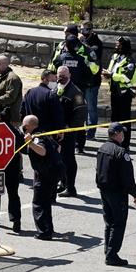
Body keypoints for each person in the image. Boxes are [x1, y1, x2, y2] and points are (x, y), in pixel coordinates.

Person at [95, 122, 136, 266]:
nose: (124, 135)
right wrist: (135, 193)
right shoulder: (121, 152)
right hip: (117, 192)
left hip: (104, 190)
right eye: (122, 133)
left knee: (109, 222)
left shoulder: (102, 148)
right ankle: (112, 254)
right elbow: (128, 176)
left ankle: (108, 249)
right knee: (118, 223)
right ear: (117, 134)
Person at [0, 55, 25, 231]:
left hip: (1, 165)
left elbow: (10, 97)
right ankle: (11, 219)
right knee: (11, 191)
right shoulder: (3, 78)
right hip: (7, 165)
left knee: (0, 190)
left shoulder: (12, 79)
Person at [23, 114, 62, 240]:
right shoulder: (44, 134)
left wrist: (30, 143)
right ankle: (48, 228)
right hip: (54, 172)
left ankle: (44, 232)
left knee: (39, 203)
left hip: (45, 174)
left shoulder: (36, 137)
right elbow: (58, 147)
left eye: (24, 127)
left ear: (29, 126)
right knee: (46, 202)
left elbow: (42, 151)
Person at [54, 65, 86, 197]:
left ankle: (70, 187)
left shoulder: (76, 92)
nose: (61, 78)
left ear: (69, 76)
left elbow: (80, 113)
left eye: (64, 75)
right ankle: (63, 183)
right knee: (60, 158)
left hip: (68, 131)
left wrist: (68, 128)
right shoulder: (56, 88)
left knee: (68, 159)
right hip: (57, 130)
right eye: (59, 75)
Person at [102, 36, 136, 130]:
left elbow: (126, 78)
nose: (116, 46)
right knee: (114, 117)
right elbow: (111, 70)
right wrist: (106, 74)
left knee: (124, 119)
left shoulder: (131, 62)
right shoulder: (115, 57)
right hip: (115, 91)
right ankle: (114, 139)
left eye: (118, 45)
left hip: (125, 93)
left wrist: (111, 75)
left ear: (124, 46)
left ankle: (125, 143)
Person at [80, 21, 104, 142]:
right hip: (82, 81)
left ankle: (91, 131)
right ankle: (82, 129)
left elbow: (93, 57)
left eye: (85, 30)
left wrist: (83, 45)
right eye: (81, 30)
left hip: (92, 81)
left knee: (91, 108)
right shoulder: (81, 41)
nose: (83, 32)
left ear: (90, 30)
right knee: (82, 107)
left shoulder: (97, 43)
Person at [21, 69, 64, 135]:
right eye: (53, 81)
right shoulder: (50, 95)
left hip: (29, 131)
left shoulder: (29, 92)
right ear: (44, 79)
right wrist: (60, 130)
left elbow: (22, 110)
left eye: (55, 81)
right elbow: (57, 114)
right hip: (46, 133)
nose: (55, 83)